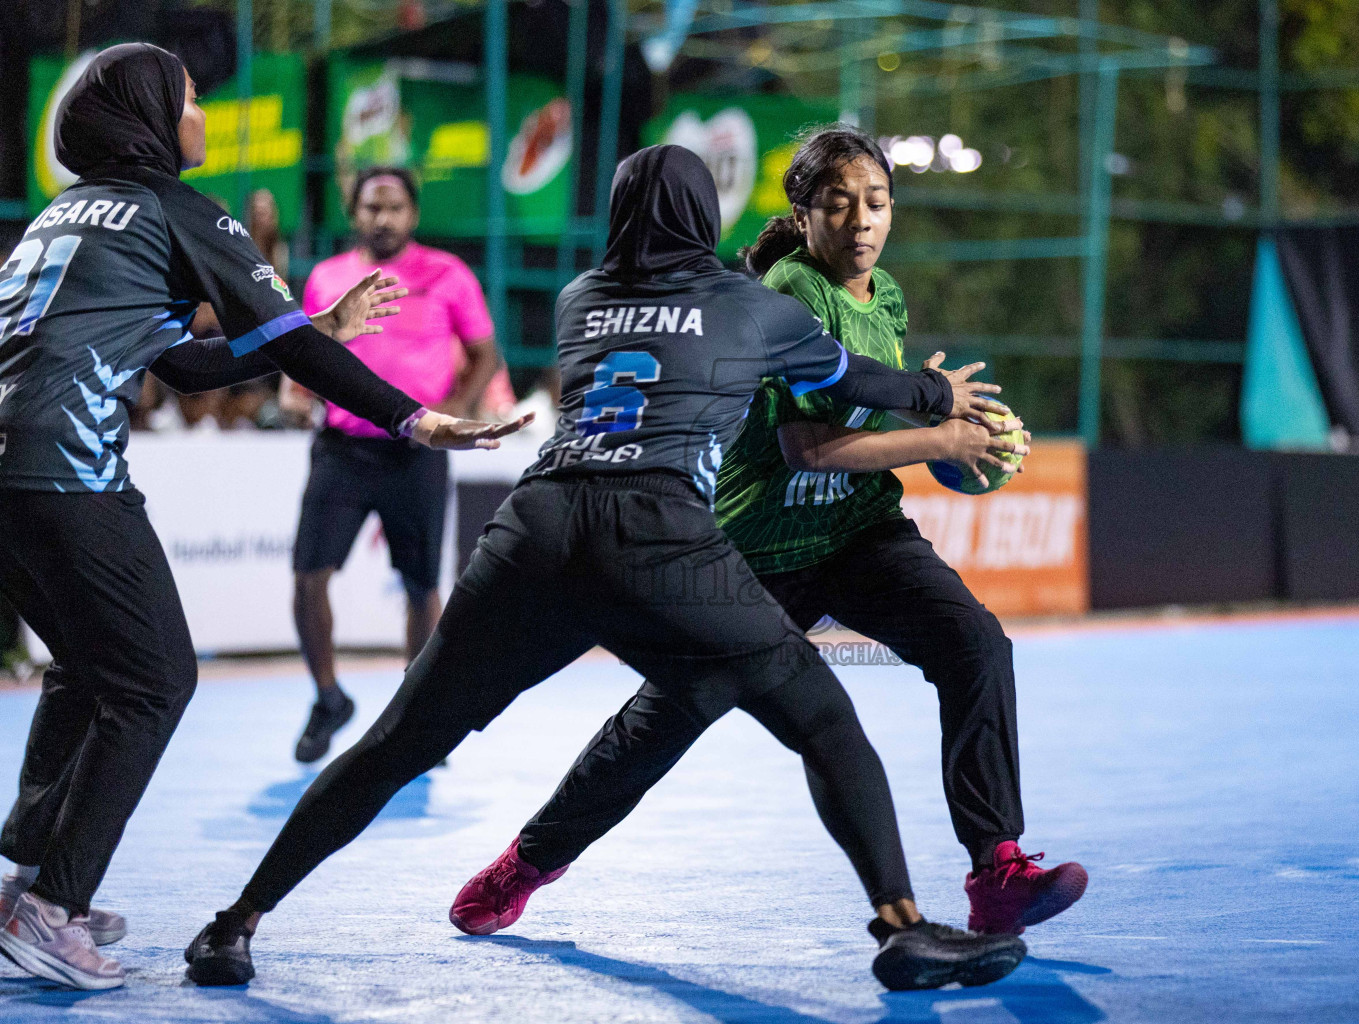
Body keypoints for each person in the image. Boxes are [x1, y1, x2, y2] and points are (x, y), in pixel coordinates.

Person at [185, 144, 1027, 993]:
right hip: (658, 537)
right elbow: (865, 382)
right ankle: (903, 929)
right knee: (824, 720)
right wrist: (938, 397)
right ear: (704, 215)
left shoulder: (579, 299)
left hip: (534, 530)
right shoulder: (750, 307)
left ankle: (234, 924)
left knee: (396, 742)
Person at [456, 126, 1089, 940]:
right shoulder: (790, 292)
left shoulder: (883, 295)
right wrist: (942, 441)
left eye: (877, 202)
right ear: (804, 212)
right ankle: (529, 860)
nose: (861, 221)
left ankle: (996, 866)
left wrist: (935, 402)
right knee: (664, 720)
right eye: (839, 204)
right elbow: (806, 446)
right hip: (758, 548)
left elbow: (856, 407)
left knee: (974, 643)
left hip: (858, 530)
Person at [0, 44, 521, 990]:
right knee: (156, 680)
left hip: (9, 470)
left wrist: (309, 337)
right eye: (192, 99)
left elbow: (188, 364)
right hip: (64, 464)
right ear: (150, 119)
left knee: (87, 665)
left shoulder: (66, 213)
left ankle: (27, 880)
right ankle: (50, 909)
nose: (203, 115)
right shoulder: (177, 209)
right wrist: (412, 415)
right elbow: (285, 349)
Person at [280, 166, 503, 764]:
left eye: (396, 207)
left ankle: (417, 712)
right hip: (343, 448)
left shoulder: (448, 274)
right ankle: (328, 697)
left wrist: (452, 412)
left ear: (414, 213)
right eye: (373, 207)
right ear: (353, 213)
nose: (384, 218)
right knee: (308, 578)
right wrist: (295, 393)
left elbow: (484, 354)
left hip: (416, 452)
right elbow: (302, 356)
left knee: (422, 586)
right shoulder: (327, 278)